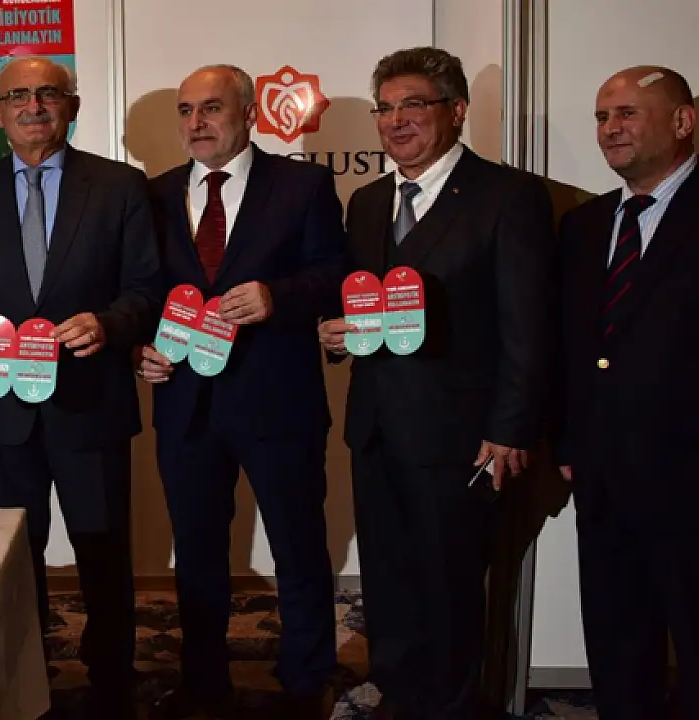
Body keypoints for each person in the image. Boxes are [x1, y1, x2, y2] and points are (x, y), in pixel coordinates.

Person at [317, 47, 555, 718]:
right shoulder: (368, 202)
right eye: (385, 108)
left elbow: (529, 326)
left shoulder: (507, 196)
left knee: (449, 585)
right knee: (388, 579)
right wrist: (336, 335)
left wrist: (509, 429)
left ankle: (448, 707)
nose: (396, 121)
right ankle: (399, 691)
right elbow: (361, 307)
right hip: (375, 428)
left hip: (461, 438)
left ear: (456, 111)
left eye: (413, 105)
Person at [0, 56, 160, 716]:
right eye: (18, 96)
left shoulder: (120, 187)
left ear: (73, 106)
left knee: (102, 548)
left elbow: (145, 288)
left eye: (48, 94)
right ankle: (25, 680)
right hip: (3, 408)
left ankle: (111, 681)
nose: (33, 106)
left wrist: (109, 324)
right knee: (14, 556)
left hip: (91, 402)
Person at [139, 64, 346, 720]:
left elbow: (334, 275)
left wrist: (276, 297)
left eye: (212, 108)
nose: (196, 122)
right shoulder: (153, 194)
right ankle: (203, 681)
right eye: (186, 110)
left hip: (278, 400)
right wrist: (140, 349)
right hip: (185, 402)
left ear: (249, 113)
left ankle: (306, 679)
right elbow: (140, 292)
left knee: (297, 545)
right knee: (197, 551)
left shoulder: (303, 185)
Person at [556, 66, 697, 719]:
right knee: (618, 644)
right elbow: (569, 344)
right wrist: (568, 438)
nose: (610, 129)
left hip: (689, 476)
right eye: (601, 117)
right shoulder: (584, 226)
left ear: (682, 121)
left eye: (627, 114)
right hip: (604, 475)